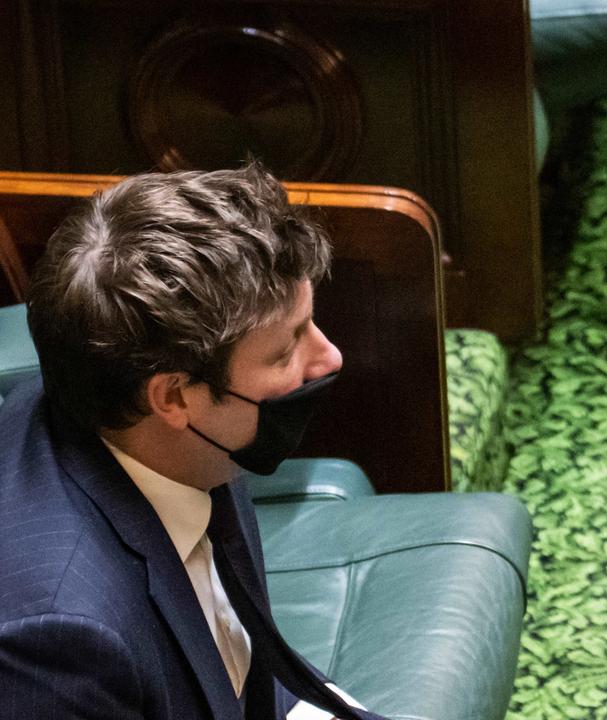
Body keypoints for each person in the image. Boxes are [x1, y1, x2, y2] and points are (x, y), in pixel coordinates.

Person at [0, 165, 386, 719]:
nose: (330, 358)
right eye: (285, 351)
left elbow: (244, 663)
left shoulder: (184, 439)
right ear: (174, 398)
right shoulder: (59, 643)